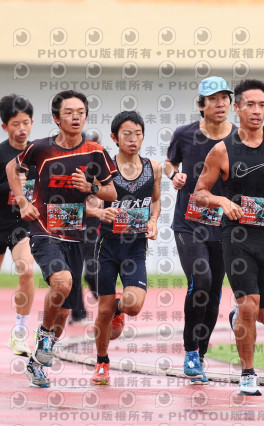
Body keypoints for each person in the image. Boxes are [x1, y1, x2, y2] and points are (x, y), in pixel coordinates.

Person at [194, 79, 264, 395]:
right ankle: (247, 374)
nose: (257, 110)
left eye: (262, 105)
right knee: (249, 304)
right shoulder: (222, 150)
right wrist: (222, 201)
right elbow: (200, 193)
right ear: (237, 108)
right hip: (236, 237)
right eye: (250, 105)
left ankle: (238, 316)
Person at [6, 90, 117, 387]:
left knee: (65, 312)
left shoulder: (95, 152)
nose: (75, 117)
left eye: (80, 112)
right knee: (63, 281)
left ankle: (37, 361)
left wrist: (91, 188)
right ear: (57, 118)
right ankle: (43, 335)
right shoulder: (41, 148)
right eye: (69, 112)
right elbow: (11, 168)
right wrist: (23, 201)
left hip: (75, 236)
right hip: (43, 229)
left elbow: (111, 192)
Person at [164, 76, 236, 384]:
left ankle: (200, 354)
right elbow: (169, 163)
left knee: (215, 293)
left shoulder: (239, 137)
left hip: (222, 226)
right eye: (213, 99)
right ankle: (190, 351)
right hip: (188, 223)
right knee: (201, 279)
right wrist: (174, 176)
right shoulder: (185, 134)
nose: (220, 104)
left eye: (225, 98)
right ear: (201, 104)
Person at [87, 111, 160, 385]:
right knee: (103, 312)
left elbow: (155, 200)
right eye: (127, 134)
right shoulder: (103, 168)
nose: (133, 139)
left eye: (138, 134)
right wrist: (99, 211)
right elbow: (90, 202)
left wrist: (153, 221)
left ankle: (119, 307)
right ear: (114, 137)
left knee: (133, 306)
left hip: (135, 248)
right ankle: (102, 362)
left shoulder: (153, 167)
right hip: (107, 247)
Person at [0, 94, 36, 357]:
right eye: (15, 124)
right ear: (5, 126)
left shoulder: (38, 153)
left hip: (20, 224)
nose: (21, 128)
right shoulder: (1, 154)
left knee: (26, 270)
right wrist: (12, 187)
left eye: (26, 122)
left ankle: (20, 333)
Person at [69, 131, 102, 325]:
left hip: (91, 222)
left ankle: (109, 305)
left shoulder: (98, 165)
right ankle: (78, 313)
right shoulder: (66, 164)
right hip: (71, 218)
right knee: (71, 269)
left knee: (90, 270)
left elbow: (98, 198)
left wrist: (92, 194)